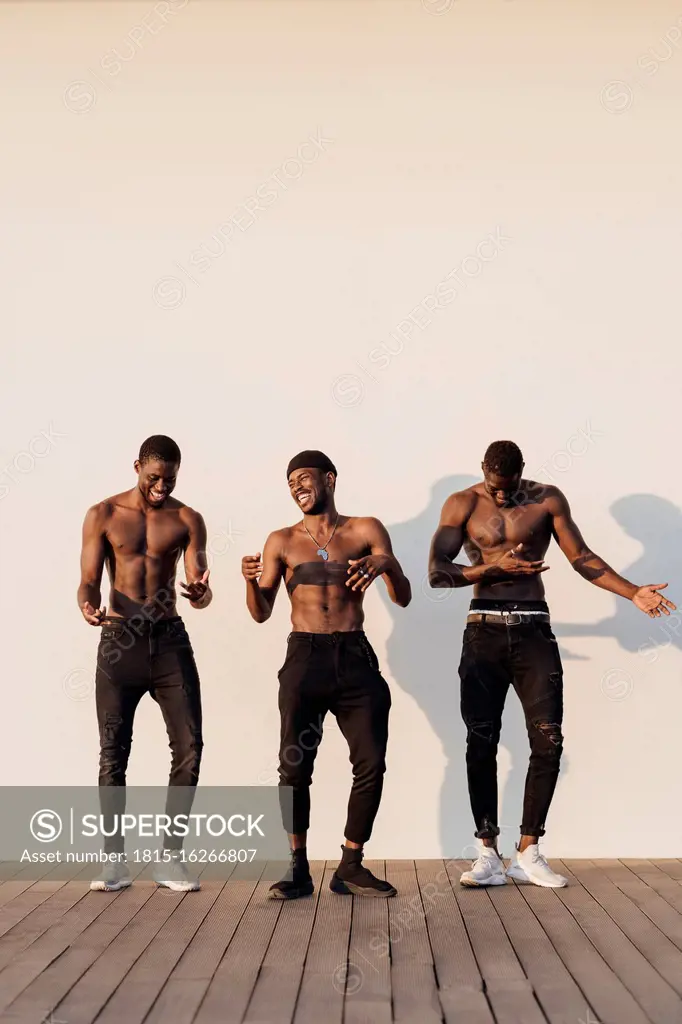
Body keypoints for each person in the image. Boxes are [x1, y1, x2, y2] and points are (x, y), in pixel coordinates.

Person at [428, 440, 675, 888]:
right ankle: (487, 852)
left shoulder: (547, 499)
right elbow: (436, 572)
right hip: (483, 632)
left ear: (522, 472)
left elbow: (581, 558)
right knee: (480, 741)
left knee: (549, 740)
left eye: (508, 487)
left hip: (534, 631)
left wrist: (633, 591)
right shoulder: (463, 502)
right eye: (494, 486)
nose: (501, 496)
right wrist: (493, 569)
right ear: (483, 470)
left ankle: (529, 850)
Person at [242, 450, 411, 899]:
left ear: (329, 479)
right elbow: (261, 613)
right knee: (294, 767)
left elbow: (404, 598)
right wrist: (248, 581)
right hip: (305, 656)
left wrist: (388, 564)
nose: (297, 486)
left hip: (355, 655)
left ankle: (350, 866)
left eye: (304, 478)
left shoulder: (366, 529)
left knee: (371, 761)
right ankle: (297, 869)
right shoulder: (280, 540)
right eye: (290, 481)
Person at [78, 434, 212, 892]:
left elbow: (199, 583)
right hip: (119, 642)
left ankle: (170, 860)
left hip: (169, 640)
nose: (160, 486)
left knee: (189, 747)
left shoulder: (187, 518)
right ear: (137, 466)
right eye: (153, 477)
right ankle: (114, 863)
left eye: (169, 478)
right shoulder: (104, 514)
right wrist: (87, 603)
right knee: (113, 753)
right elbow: (88, 581)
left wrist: (200, 592)